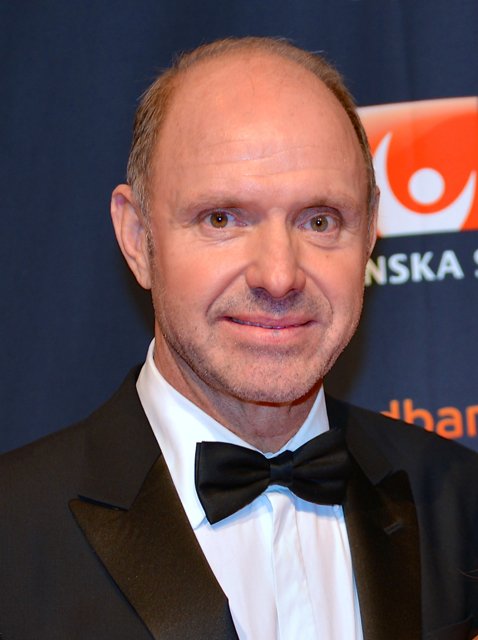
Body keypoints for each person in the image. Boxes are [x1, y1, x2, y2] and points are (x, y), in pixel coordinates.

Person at [1, 36, 478, 640]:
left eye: (320, 220)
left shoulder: (461, 502)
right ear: (138, 238)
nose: (278, 275)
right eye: (222, 218)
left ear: (369, 234)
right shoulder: (13, 533)